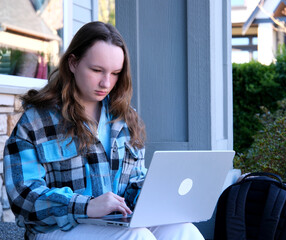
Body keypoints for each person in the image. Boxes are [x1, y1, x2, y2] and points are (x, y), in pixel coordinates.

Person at [3, 21, 204, 240]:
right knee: (137, 237)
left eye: (115, 73)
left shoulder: (126, 117)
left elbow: (133, 182)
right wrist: (86, 206)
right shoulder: (35, 120)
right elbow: (23, 196)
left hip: (114, 222)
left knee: (184, 230)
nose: (106, 83)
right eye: (96, 70)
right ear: (73, 63)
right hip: (57, 229)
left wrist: (155, 196)